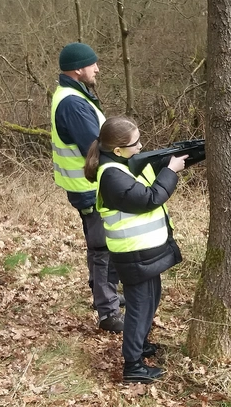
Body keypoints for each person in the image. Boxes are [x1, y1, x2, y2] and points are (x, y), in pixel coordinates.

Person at [84, 116, 188, 383]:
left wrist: (173, 160)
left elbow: (147, 171)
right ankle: (133, 366)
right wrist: (171, 171)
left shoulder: (122, 165)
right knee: (139, 307)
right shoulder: (111, 176)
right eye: (136, 143)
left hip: (145, 252)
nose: (141, 146)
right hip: (133, 254)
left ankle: (140, 346)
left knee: (151, 299)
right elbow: (149, 198)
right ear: (118, 150)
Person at [51, 42, 124, 333]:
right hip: (90, 187)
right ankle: (108, 311)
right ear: (79, 69)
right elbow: (94, 149)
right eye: (93, 64)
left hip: (87, 185)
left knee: (103, 246)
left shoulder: (72, 95)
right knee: (103, 247)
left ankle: (105, 296)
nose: (97, 69)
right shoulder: (73, 103)